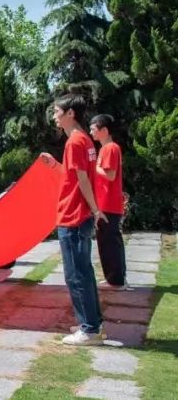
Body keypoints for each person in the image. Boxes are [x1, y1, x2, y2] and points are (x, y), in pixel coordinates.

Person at [39, 95, 107, 346]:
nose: (54, 116)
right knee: (83, 272)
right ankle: (92, 323)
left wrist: (95, 209)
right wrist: (54, 165)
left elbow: (83, 180)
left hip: (73, 216)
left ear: (70, 114)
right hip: (78, 214)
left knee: (76, 274)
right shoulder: (83, 140)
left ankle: (90, 329)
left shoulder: (75, 142)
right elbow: (73, 175)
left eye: (57, 111)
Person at [89, 114, 127, 288]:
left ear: (104, 130)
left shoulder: (110, 148)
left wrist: (94, 167)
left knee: (109, 243)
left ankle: (117, 281)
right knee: (107, 242)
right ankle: (114, 278)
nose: (91, 132)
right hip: (105, 204)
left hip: (108, 205)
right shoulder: (107, 148)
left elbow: (110, 175)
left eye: (93, 129)